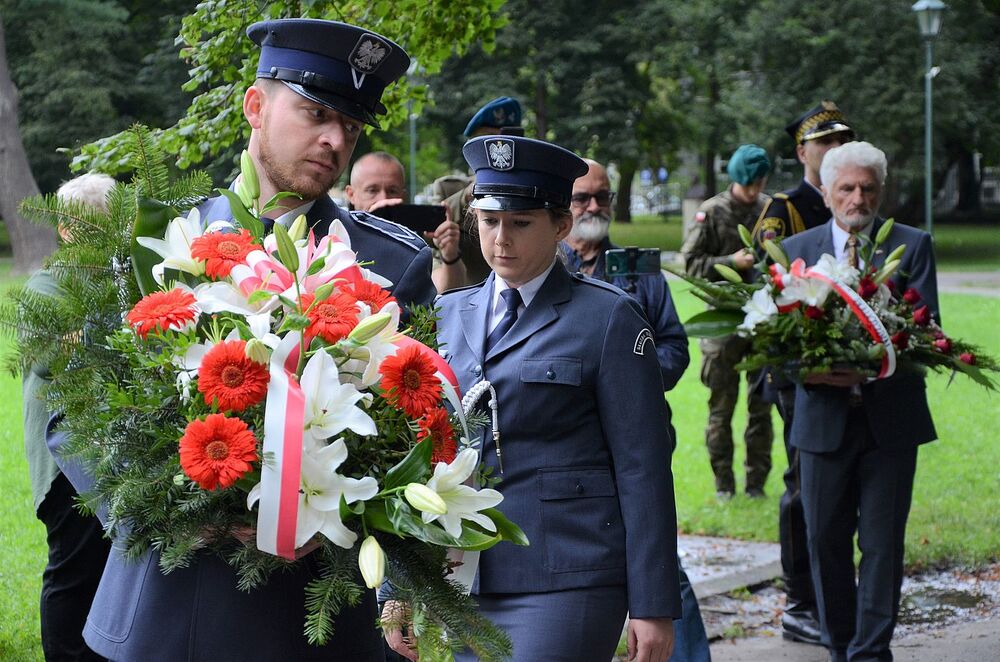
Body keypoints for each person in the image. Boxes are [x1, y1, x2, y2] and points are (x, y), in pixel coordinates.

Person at [74, 19, 434, 662]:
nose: (333, 139)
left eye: (349, 127)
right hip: (170, 601)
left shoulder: (391, 265)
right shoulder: (162, 242)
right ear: (255, 106)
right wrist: (168, 507)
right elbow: (76, 408)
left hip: (310, 615)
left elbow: (418, 429)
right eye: (315, 113)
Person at [388, 136, 682, 662]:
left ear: (561, 225)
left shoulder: (608, 318)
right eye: (489, 221)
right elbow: (410, 460)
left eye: (521, 223)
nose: (501, 239)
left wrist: (654, 603)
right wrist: (396, 589)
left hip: (567, 575)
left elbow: (644, 466)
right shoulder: (448, 316)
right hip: (457, 576)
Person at [782, 141, 938, 661]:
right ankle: (839, 648)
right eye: (846, 188)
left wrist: (872, 366)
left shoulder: (912, 247)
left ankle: (871, 654)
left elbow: (928, 334)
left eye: (868, 188)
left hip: (891, 424)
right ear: (825, 192)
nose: (857, 198)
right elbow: (772, 346)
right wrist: (811, 371)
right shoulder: (794, 250)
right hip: (822, 423)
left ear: (881, 191)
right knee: (824, 544)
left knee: (882, 547)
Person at [562, 160, 708, 662]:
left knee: (658, 558)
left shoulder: (637, 266)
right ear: (563, 203)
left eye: (603, 197)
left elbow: (673, 345)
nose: (595, 208)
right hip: (569, 448)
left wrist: (629, 382)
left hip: (636, 439)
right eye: (583, 198)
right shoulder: (544, 263)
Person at [755, 101, 856, 646]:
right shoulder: (785, 207)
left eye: (844, 141)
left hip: (854, 374)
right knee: (803, 483)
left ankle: (835, 594)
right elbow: (764, 290)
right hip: (797, 373)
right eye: (826, 143)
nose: (836, 151)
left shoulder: (854, 199)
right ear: (803, 152)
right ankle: (801, 599)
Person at [24, 173, 115, 662]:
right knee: (73, 568)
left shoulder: (125, 280)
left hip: (117, 455)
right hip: (67, 461)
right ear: (64, 229)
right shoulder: (48, 282)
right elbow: (45, 356)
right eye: (89, 225)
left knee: (110, 568)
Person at [681, 144, 773, 499]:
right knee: (721, 409)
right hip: (723, 323)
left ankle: (756, 486)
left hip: (763, 321)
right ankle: (724, 486)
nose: (752, 191)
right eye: (747, 184)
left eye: (758, 183)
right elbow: (691, 264)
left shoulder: (769, 211)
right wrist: (733, 262)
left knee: (761, 409)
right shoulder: (713, 212)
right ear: (736, 179)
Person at [345, 151, 465, 292]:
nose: (383, 199)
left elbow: (444, 290)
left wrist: (450, 253)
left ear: (403, 195)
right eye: (372, 190)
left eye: (392, 190)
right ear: (351, 194)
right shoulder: (336, 237)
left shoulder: (414, 245)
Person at [437, 96, 524, 289]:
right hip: (470, 290)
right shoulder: (450, 190)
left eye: (504, 140)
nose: (498, 150)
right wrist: (470, 194)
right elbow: (434, 227)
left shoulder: (529, 186)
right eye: (489, 141)